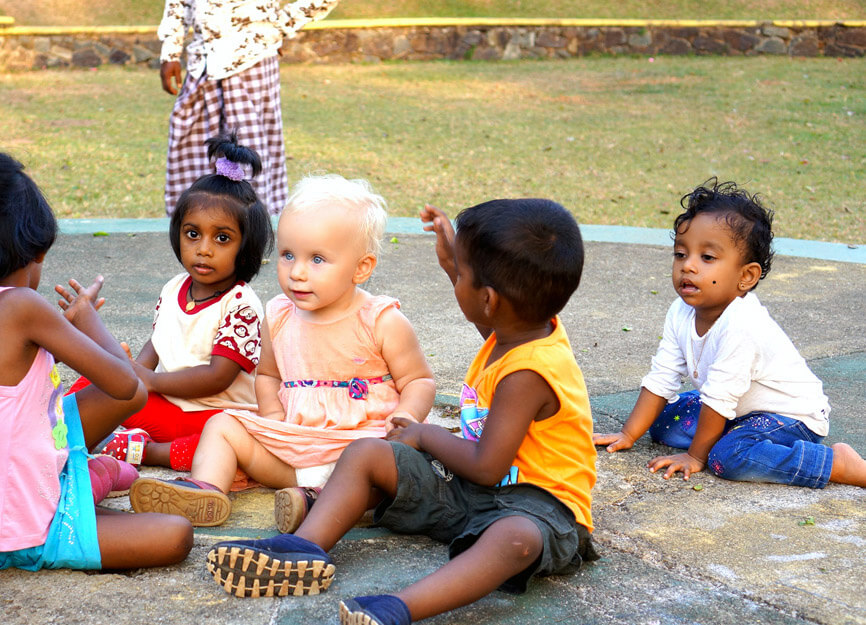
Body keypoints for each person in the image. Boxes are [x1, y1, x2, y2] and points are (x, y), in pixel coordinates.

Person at [205, 199, 599, 625]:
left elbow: (487, 465)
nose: (455, 281)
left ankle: (399, 607)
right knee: (367, 452)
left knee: (513, 538)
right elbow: (488, 310)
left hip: (539, 508)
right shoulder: (516, 329)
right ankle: (304, 548)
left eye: (461, 276)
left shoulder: (530, 373)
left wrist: (423, 434)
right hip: (471, 493)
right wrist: (453, 261)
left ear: (488, 299)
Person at [0, 151, 193, 572]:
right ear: (35, 249)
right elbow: (127, 387)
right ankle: (83, 487)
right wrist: (88, 320)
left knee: (56, 409)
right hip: (14, 532)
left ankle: (85, 480)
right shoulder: (24, 307)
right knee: (176, 534)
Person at [130, 174, 436, 528]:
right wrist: (273, 417)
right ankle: (205, 490)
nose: (297, 273)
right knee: (223, 424)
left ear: (361, 268)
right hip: (294, 447)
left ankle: (319, 503)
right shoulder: (277, 316)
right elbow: (269, 375)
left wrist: (407, 420)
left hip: (360, 444)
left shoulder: (381, 320)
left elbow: (419, 380)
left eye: (317, 260)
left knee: (378, 466)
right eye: (288, 255)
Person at [593, 180, 866, 487]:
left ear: (746, 276)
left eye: (707, 258)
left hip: (789, 419)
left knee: (728, 457)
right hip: (736, 409)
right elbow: (662, 376)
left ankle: (834, 464)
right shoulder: (679, 311)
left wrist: (696, 457)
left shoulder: (742, 324)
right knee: (662, 423)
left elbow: (719, 397)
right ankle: (727, 434)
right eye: (681, 254)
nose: (688, 267)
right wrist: (628, 433)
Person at [83, 133, 273, 472]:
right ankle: (113, 440)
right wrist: (132, 375)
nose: (203, 248)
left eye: (222, 238)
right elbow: (157, 345)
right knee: (92, 385)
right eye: (193, 233)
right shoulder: (174, 288)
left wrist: (151, 381)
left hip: (214, 415)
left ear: (247, 246)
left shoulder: (242, 305)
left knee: (231, 442)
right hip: (170, 408)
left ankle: (150, 451)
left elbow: (218, 377)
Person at [158, 0, 339, 216]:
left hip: (252, 61)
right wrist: (170, 52)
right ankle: (195, 230)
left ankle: (254, 233)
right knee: (189, 149)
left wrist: (279, 24)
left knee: (248, 158)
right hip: (203, 64)